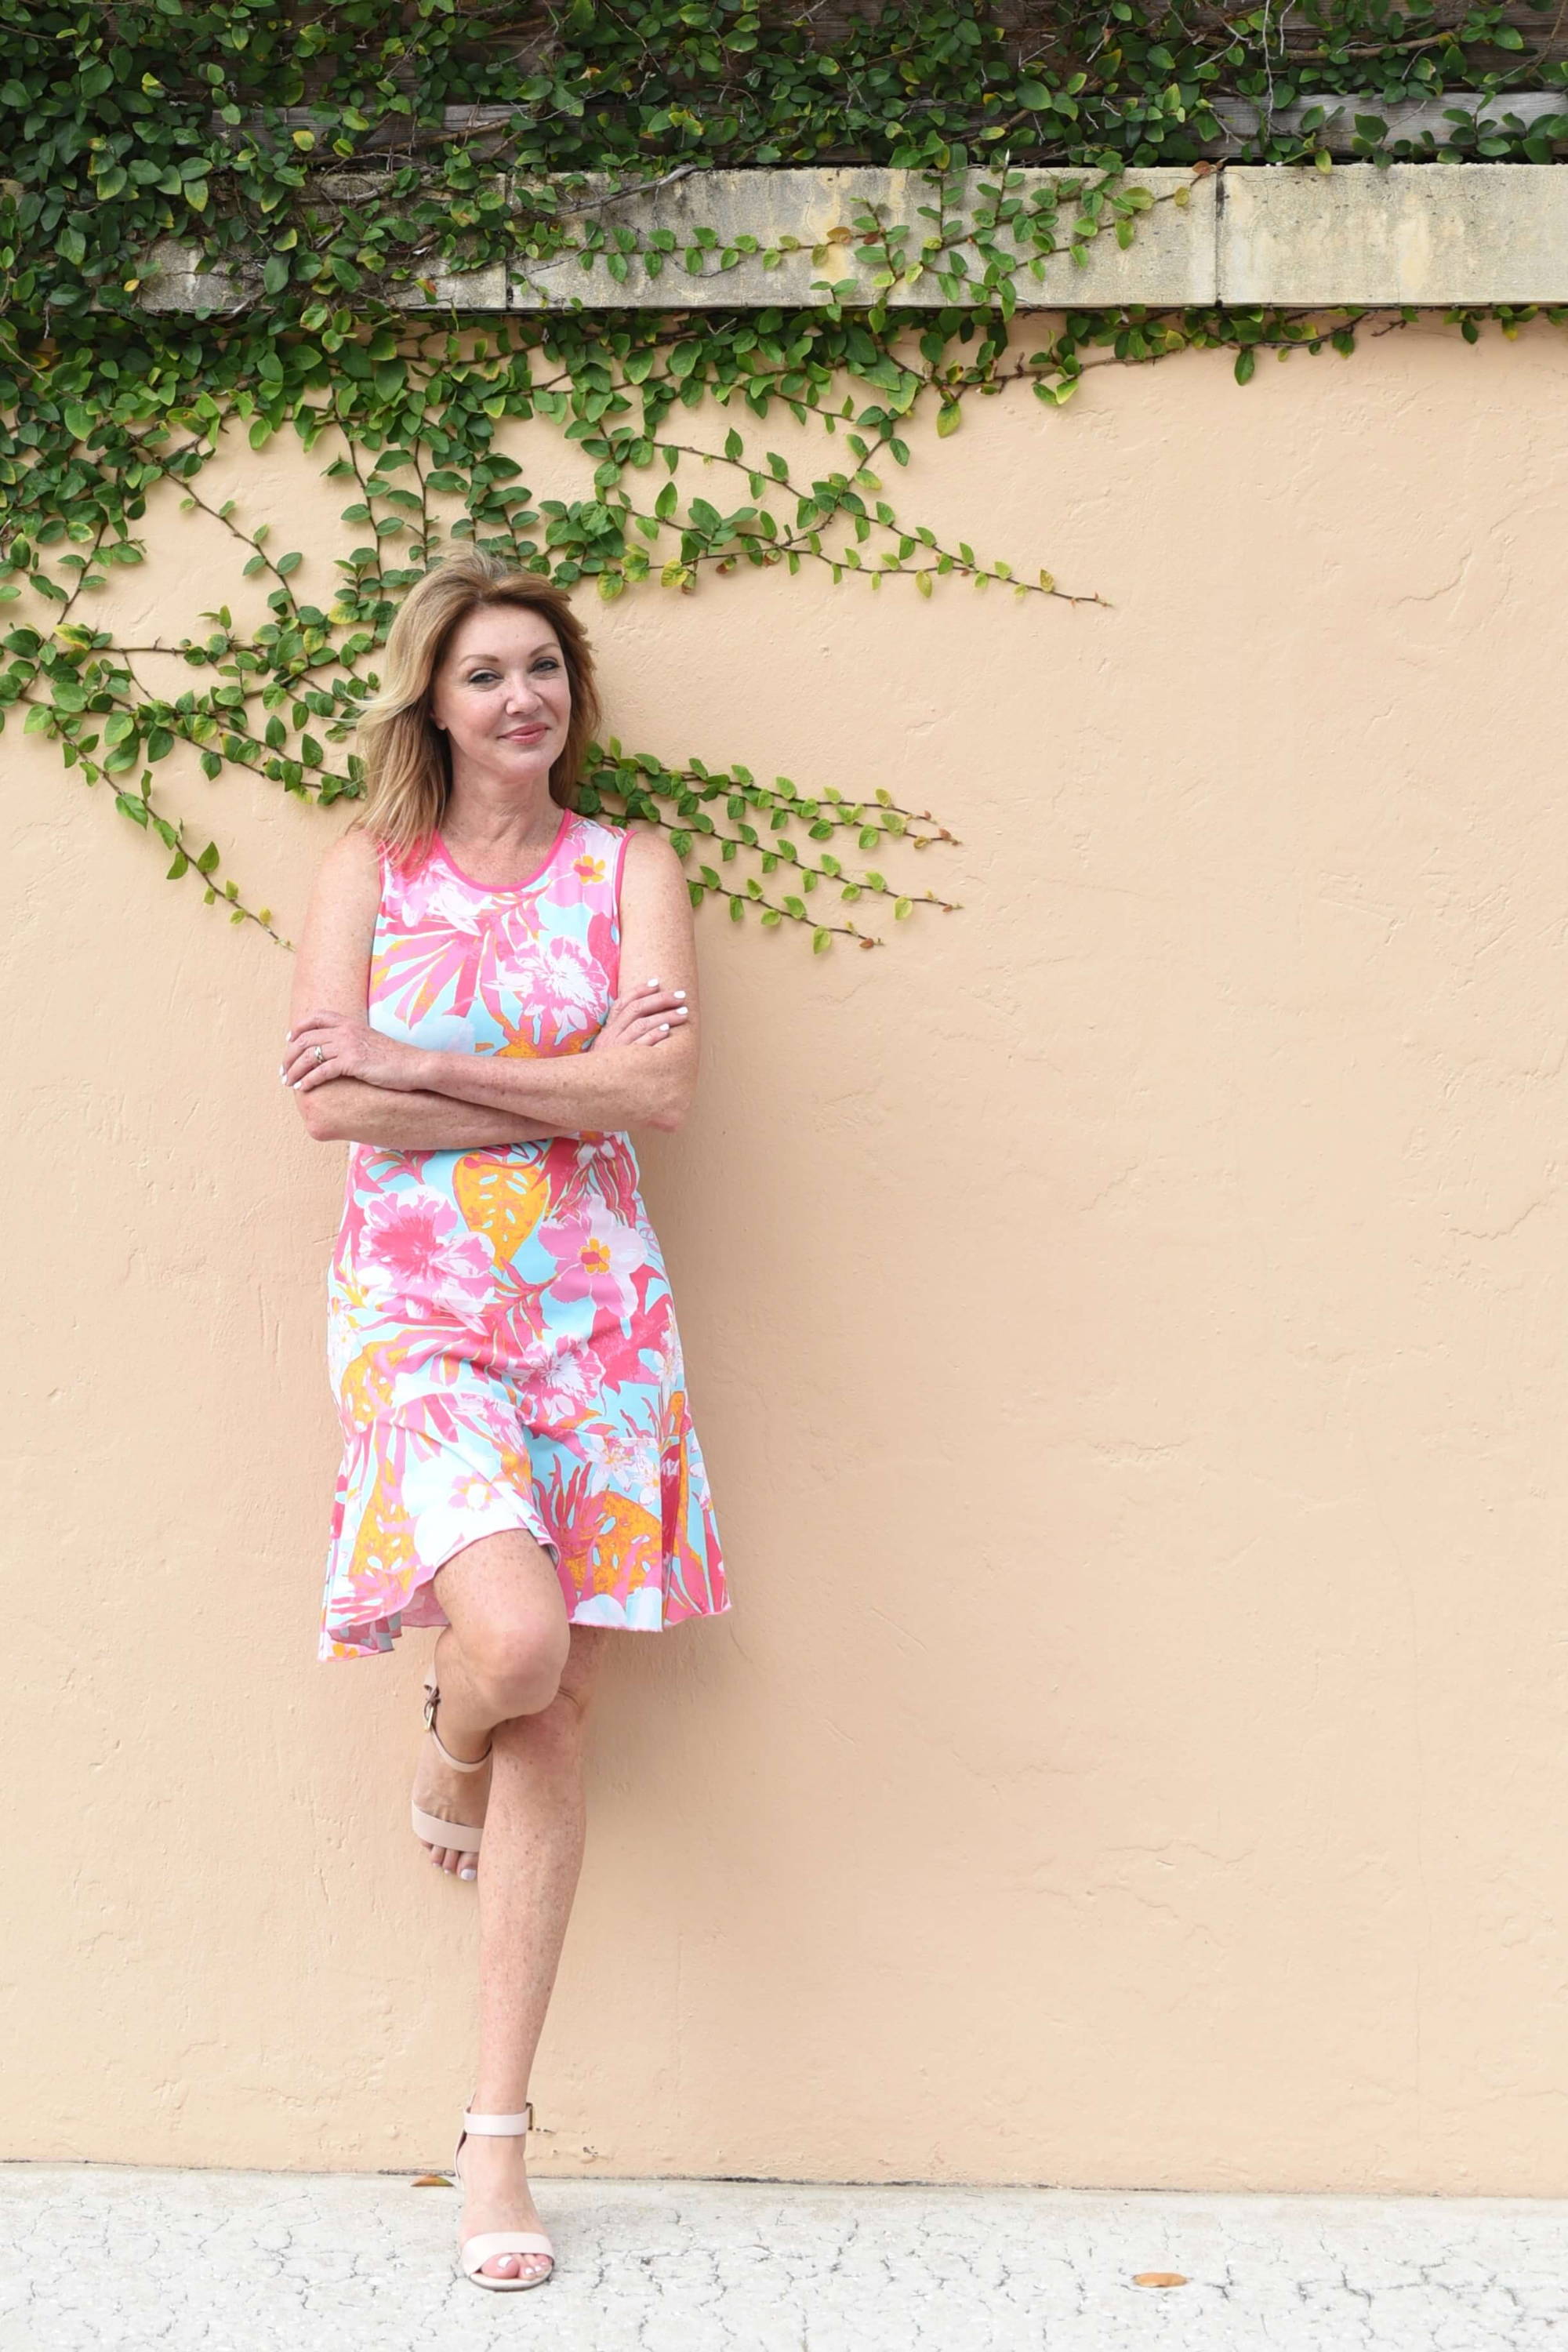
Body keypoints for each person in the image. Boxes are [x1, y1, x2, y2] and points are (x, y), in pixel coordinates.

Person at [278, 547, 730, 2291]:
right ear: (434, 699)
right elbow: (328, 1109)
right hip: (421, 1309)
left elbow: (661, 1091)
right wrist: (556, 1087)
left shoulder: (633, 868)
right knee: (516, 1645)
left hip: (599, 1318)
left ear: (572, 694)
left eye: (542, 668)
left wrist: (431, 1070)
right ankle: (449, 1732)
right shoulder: (365, 870)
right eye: (485, 673)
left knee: (566, 1704)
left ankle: (493, 2143)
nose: (520, 698)